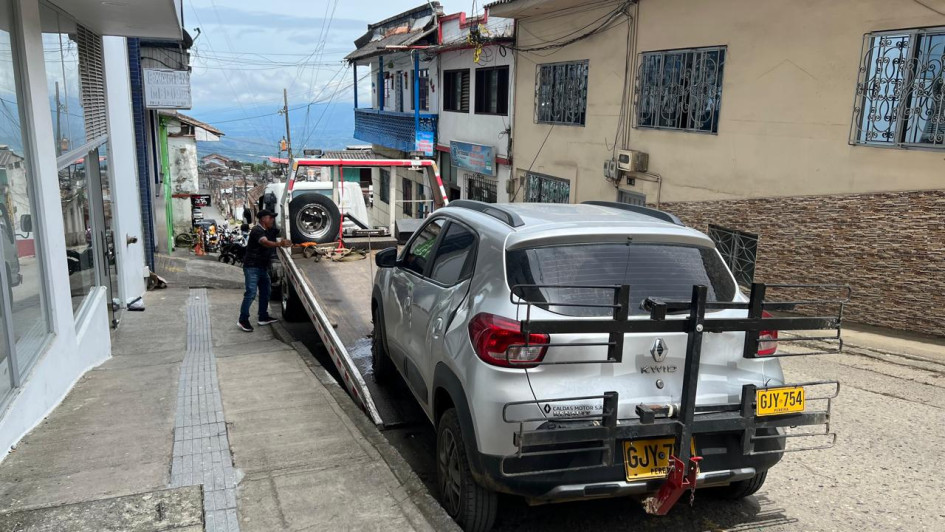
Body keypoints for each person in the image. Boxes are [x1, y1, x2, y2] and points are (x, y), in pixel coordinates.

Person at [238, 210, 291, 332]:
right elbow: (265, 243)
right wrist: (280, 244)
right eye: (270, 217)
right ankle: (243, 320)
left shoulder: (268, 230)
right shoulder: (257, 230)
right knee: (250, 294)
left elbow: (280, 233)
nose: (272, 219)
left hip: (262, 267)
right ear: (263, 219)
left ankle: (263, 317)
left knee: (266, 292)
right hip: (252, 267)